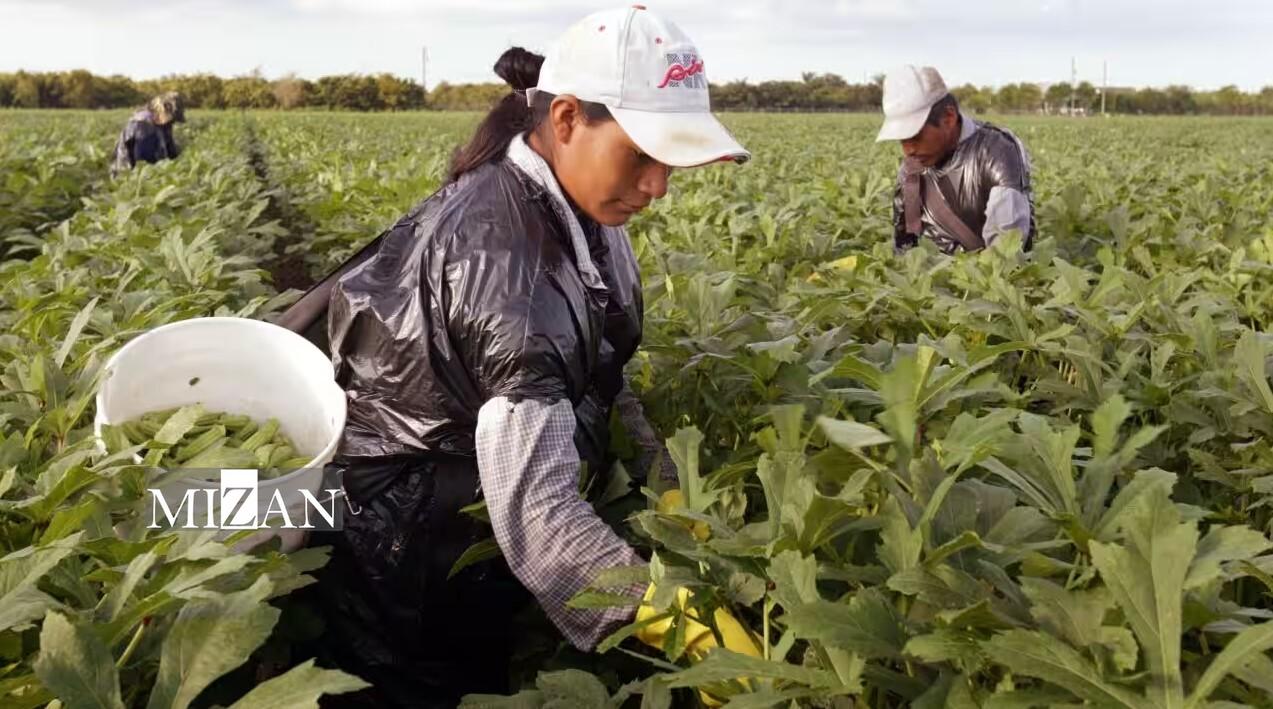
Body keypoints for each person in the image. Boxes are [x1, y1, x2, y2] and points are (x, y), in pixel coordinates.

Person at [303, 7, 758, 706]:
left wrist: (662, 475)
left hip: (448, 490)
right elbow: (539, 518)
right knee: (428, 685)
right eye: (642, 154)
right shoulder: (508, 268)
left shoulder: (578, 208)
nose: (659, 185)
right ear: (568, 119)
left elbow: (601, 358)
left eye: (670, 160)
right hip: (408, 532)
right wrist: (677, 622)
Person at [877, 66, 1036, 254]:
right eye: (902, 140)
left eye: (915, 136)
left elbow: (1005, 251)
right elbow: (906, 243)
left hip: (984, 279)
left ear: (949, 117)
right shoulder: (912, 169)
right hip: (932, 277)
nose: (908, 150)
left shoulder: (998, 150)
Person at [110, 91, 185, 177]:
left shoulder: (163, 124)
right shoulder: (143, 126)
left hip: (146, 173)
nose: (173, 123)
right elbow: (143, 164)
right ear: (162, 111)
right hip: (130, 178)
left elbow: (171, 151)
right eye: (172, 118)